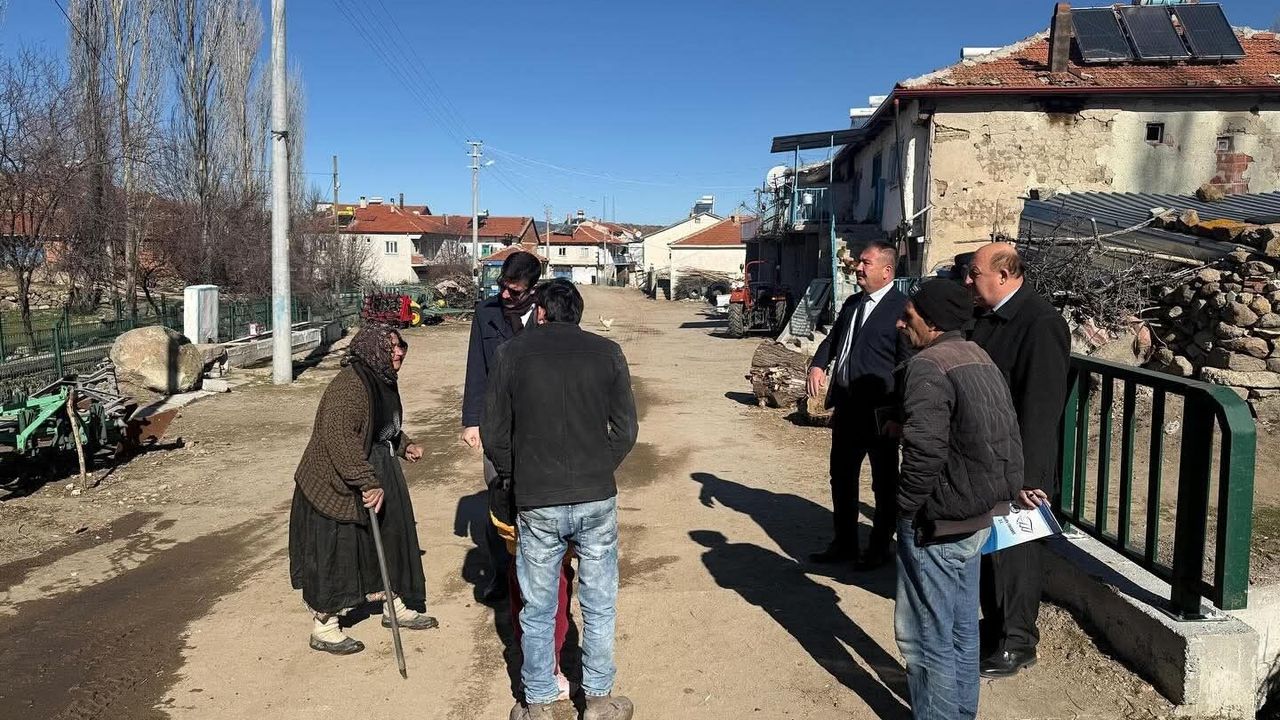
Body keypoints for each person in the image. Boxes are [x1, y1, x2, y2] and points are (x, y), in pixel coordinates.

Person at [482, 279, 638, 720]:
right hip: (595, 497)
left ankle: (539, 703)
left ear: (541, 313)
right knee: (599, 603)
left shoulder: (511, 354)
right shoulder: (608, 352)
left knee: (538, 607)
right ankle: (600, 701)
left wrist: (517, 475)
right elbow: (626, 430)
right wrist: (598, 466)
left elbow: (494, 433)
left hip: (537, 500)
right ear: (578, 314)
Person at [894, 279, 1024, 720]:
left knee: (924, 637)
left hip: (939, 519)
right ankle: (961, 712)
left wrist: (906, 508)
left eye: (909, 316)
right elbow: (1006, 433)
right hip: (977, 515)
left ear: (931, 322)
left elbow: (925, 450)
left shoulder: (928, 366)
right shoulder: (978, 356)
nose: (901, 323)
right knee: (962, 629)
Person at [289, 324, 437, 655]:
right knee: (337, 552)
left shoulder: (381, 379)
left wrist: (404, 445)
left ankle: (393, 604)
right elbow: (340, 439)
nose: (399, 352)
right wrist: (367, 481)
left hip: (370, 469)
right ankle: (325, 626)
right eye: (391, 347)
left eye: (401, 346)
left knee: (389, 537)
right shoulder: (349, 387)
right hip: (333, 482)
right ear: (373, 350)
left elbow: (381, 426)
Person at [964, 242, 1071, 679]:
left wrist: (1030, 477)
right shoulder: (987, 318)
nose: (968, 281)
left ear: (1004, 276)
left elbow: (1042, 405)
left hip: (1019, 468)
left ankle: (1017, 642)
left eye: (975, 273)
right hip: (987, 461)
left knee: (1016, 557)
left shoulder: (1040, 323)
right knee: (991, 555)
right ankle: (995, 630)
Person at [807, 240, 913, 570]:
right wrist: (818, 364)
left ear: (887, 271)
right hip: (847, 408)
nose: (858, 267)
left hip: (881, 413)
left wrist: (900, 412)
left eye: (866, 263)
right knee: (841, 477)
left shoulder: (902, 309)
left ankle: (879, 548)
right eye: (859, 262)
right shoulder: (853, 303)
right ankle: (844, 544)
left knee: (884, 483)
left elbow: (907, 364)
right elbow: (833, 339)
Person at [462, 250, 544, 602]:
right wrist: (472, 421)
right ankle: (501, 574)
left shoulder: (548, 314)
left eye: (515, 290)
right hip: (497, 424)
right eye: (503, 287)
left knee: (538, 501)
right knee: (498, 500)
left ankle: (538, 576)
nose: (506, 295)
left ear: (533, 289)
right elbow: (476, 369)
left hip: (538, 424)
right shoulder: (486, 313)